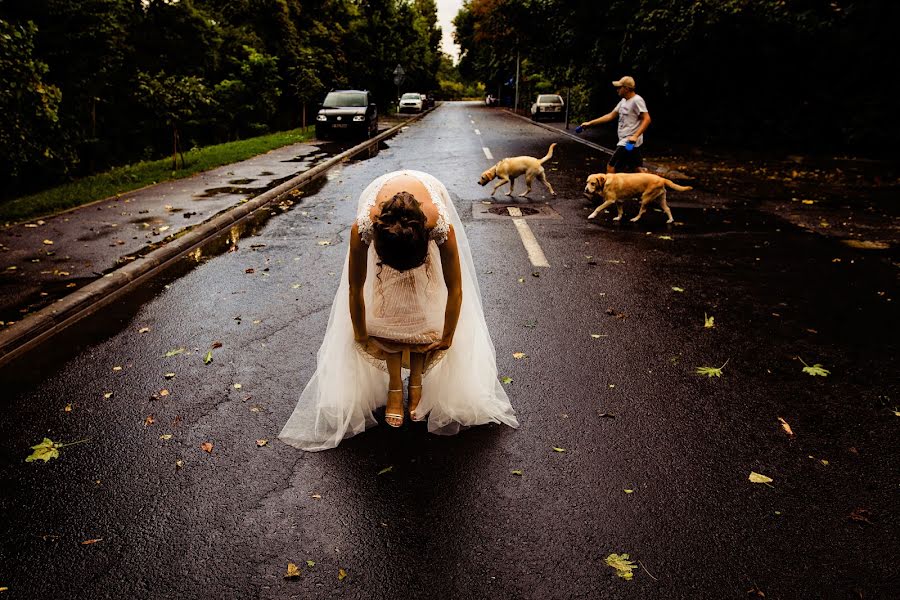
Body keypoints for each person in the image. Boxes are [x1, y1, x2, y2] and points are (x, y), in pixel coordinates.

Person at [279, 170, 519, 451]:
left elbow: (454, 289)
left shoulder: (438, 224)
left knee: (423, 307)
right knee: (386, 312)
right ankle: (395, 387)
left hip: (423, 209)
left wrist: (447, 336)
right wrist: (361, 334)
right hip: (385, 215)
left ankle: (416, 384)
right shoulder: (364, 227)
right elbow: (356, 288)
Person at [579, 76, 651, 173]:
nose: (617, 90)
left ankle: (610, 188)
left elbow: (647, 119)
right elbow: (610, 116)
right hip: (629, 142)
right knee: (636, 167)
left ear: (626, 88)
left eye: (619, 87)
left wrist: (635, 136)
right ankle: (652, 184)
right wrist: (589, 124)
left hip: (628, 142)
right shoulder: (623, 101)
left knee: (611, 166)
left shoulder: (637, 100)